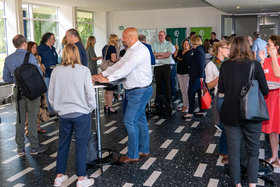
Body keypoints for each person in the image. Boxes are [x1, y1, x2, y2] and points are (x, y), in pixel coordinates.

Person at [92, 27, 153, 163]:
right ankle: (143, 149)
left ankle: (133, 154)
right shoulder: (131, 50)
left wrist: (109, 79)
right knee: (140, 120)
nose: (122, 39)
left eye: (124, 37)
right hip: (135, 91)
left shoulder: (140, 50)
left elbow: (126, 68)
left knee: (130, 121)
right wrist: (103, 74)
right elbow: (120, 65)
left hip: (140, 91)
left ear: (131, 37)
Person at [218, 36, 268, 187]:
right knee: (252, 152)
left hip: (230, 115)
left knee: (234, 153)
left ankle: (237, 184)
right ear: (248, 48)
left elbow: (221, 90)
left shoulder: (225, 66)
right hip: (251, 114)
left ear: (232, 48)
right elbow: (265, 90)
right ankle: (252, 184)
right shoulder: (255, 65)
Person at [49, 43, 96, 187]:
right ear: (77, 54)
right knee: (81, 146)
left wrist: (58, 108)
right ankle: (81, 179)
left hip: (64, 114)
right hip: (81, 114)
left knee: (63, 145)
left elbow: (50, 94)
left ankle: (59, 177)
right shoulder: (84, 70)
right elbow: (90, 92)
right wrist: (90, 107)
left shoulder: (56, 71)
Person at [3, 35, 48, 155]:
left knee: (20, 119)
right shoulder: (30, 57)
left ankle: (20, 148)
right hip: (32, 90)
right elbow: (38, 73)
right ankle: (34, 147)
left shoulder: (8, 59)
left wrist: (18, 81)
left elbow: (6, 77)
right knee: (32, 118)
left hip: (18, 91)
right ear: (24, 43)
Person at [205, 40, 230, 164]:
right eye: (227, 48)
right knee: (225, 126)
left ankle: (224, 150)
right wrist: (221, 77)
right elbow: (209, 85)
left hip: (231, 97)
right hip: (220, 97)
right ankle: (224, 151)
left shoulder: (229, 62)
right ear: (220, 49)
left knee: (227, 126)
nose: (229, 51)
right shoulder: (211, 65)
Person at [260, 35, 280, 168]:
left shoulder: (275, 59)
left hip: (278, 98)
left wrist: (273, 57)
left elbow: (278, 74)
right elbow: (262, 78)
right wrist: (262, 62)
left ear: (277, 47)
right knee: (272, 130)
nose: (266, 47)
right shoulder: (266, 60)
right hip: (269, 99)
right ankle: (274, 156)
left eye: (269, 45)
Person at [26, 41, 48, 134]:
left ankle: (38, 126)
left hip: (40, 85)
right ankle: (28, 129)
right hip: (31, 86)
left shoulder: (39, 58)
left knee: (39, 106)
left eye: (36, 47)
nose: (34, 49)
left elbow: (43, 69)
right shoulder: (26, 59)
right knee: (30, 109)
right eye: (33, 47)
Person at [37, 32, 58, 117]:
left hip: (54, 73)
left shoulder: (53, 48)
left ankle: (54, 109)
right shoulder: (40, 48)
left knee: (54, 92)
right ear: (48, 39)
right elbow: (38, 61)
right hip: (46, 74)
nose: (55, 40)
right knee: (47, 92)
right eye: (53, 39)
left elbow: (55, 60)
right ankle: (49, 110)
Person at [185, 36, 206, 118]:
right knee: (200, 93)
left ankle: (191, 112)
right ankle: (201, 110)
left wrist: (201, 76)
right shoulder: (198, 49)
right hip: (197, 75)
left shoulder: (198, 50)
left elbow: (201, 64)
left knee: (191, 93)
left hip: (197, 76)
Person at [152, 31, 173, 105]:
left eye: (162, 35)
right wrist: (161, 54)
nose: (160, 37)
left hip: (166, 66)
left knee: (167, 84)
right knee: (158, 85)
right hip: (157, 67)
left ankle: (168, 101)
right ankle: (158, 102)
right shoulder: (154, 44)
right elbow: (152, 54)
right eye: (159, 35)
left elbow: (168, 55)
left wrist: (157, 55)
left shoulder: (169, 44)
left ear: (165, 36)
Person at [102, 34, 120, 113]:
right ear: (114, 40)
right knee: (110, 90)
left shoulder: (105, 47)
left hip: (105, 69)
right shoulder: (112, 48)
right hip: (111, 70)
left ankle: (106, 105)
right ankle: (110, 107)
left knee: (106, 89)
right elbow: (113, 59)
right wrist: (120, 58)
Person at [173, 38, 191, 113]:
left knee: (187, 90)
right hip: (179, 72)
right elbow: (175, 58)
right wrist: (176, 50)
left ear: (189, 44)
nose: (185, 45)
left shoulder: (190, 52)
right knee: (183, 91)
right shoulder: (180, 51)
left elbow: (187, 60)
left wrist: (181, 58)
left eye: (187, 44)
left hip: (187, 73)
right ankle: (185, 105)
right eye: (184, 44)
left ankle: (188, 106)